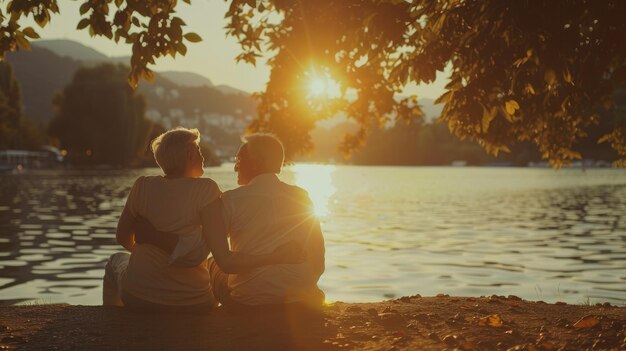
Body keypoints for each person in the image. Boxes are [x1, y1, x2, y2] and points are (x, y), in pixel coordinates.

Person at [102, 128, 302, 312]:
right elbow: (202, 252)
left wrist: (147, 253)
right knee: (212, 264)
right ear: (189, 155)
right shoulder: (207, 190)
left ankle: (113, 323)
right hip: (193, 300)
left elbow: (122, 237)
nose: (203, 156)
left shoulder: (142, 185)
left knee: (114, 261)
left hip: (138, 295)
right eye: (198, 150)